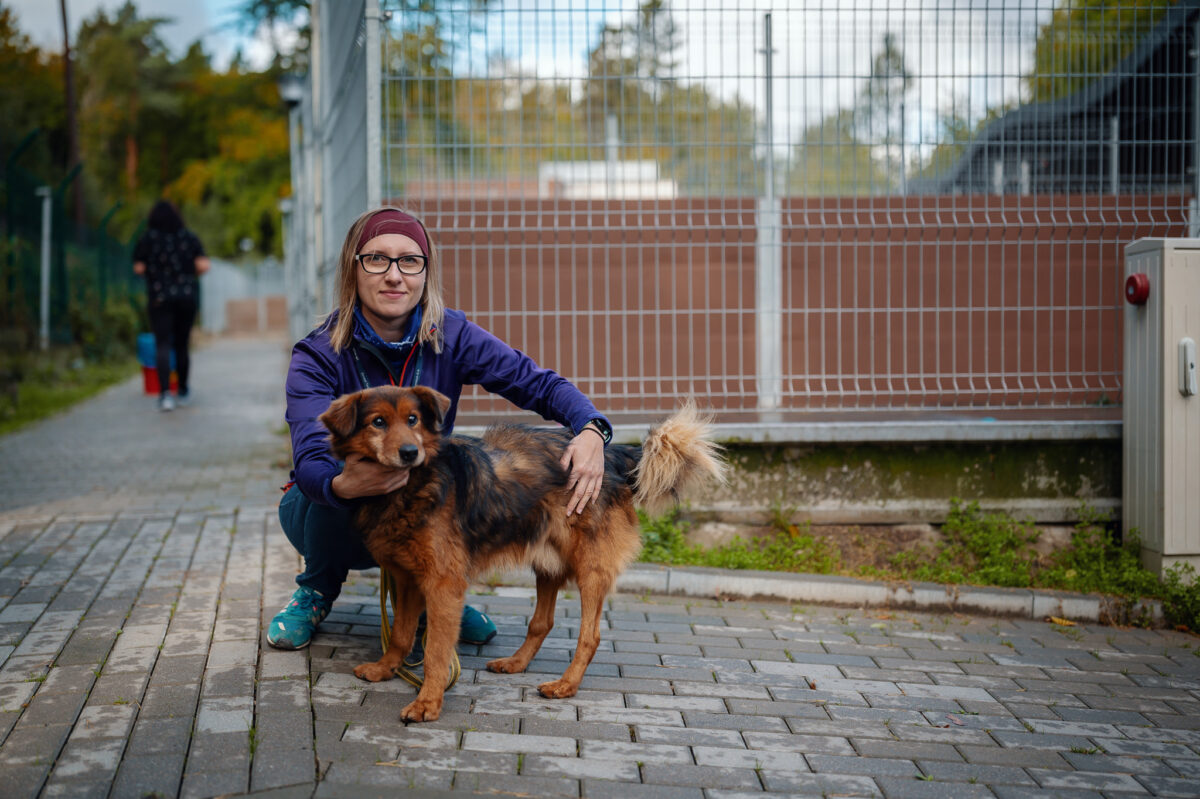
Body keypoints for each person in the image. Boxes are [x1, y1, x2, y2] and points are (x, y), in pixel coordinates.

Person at [271, 207, 614, 652]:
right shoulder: (318, 355)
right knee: (340, 489)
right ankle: (316, 588)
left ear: (425, 272)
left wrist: (591, 429)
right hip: (330, 508)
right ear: (352, 270)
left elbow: (536, 382)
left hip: (418, 500)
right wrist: (342, 484)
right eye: (376, 259)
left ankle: (438, 589)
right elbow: (311, 455)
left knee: (452, 477)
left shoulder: (452, 334)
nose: (394, 275)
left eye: (409, 261)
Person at [132, 200, 210, 412]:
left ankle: (165, 394)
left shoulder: (148, 239)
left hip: (159, 298)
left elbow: (138, 267)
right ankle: (183, 390)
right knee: (182, 344)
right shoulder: (187, 237)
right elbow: (204, 265)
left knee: (163, 344)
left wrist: (154, 269)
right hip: (185, 296)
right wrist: (187, 271)